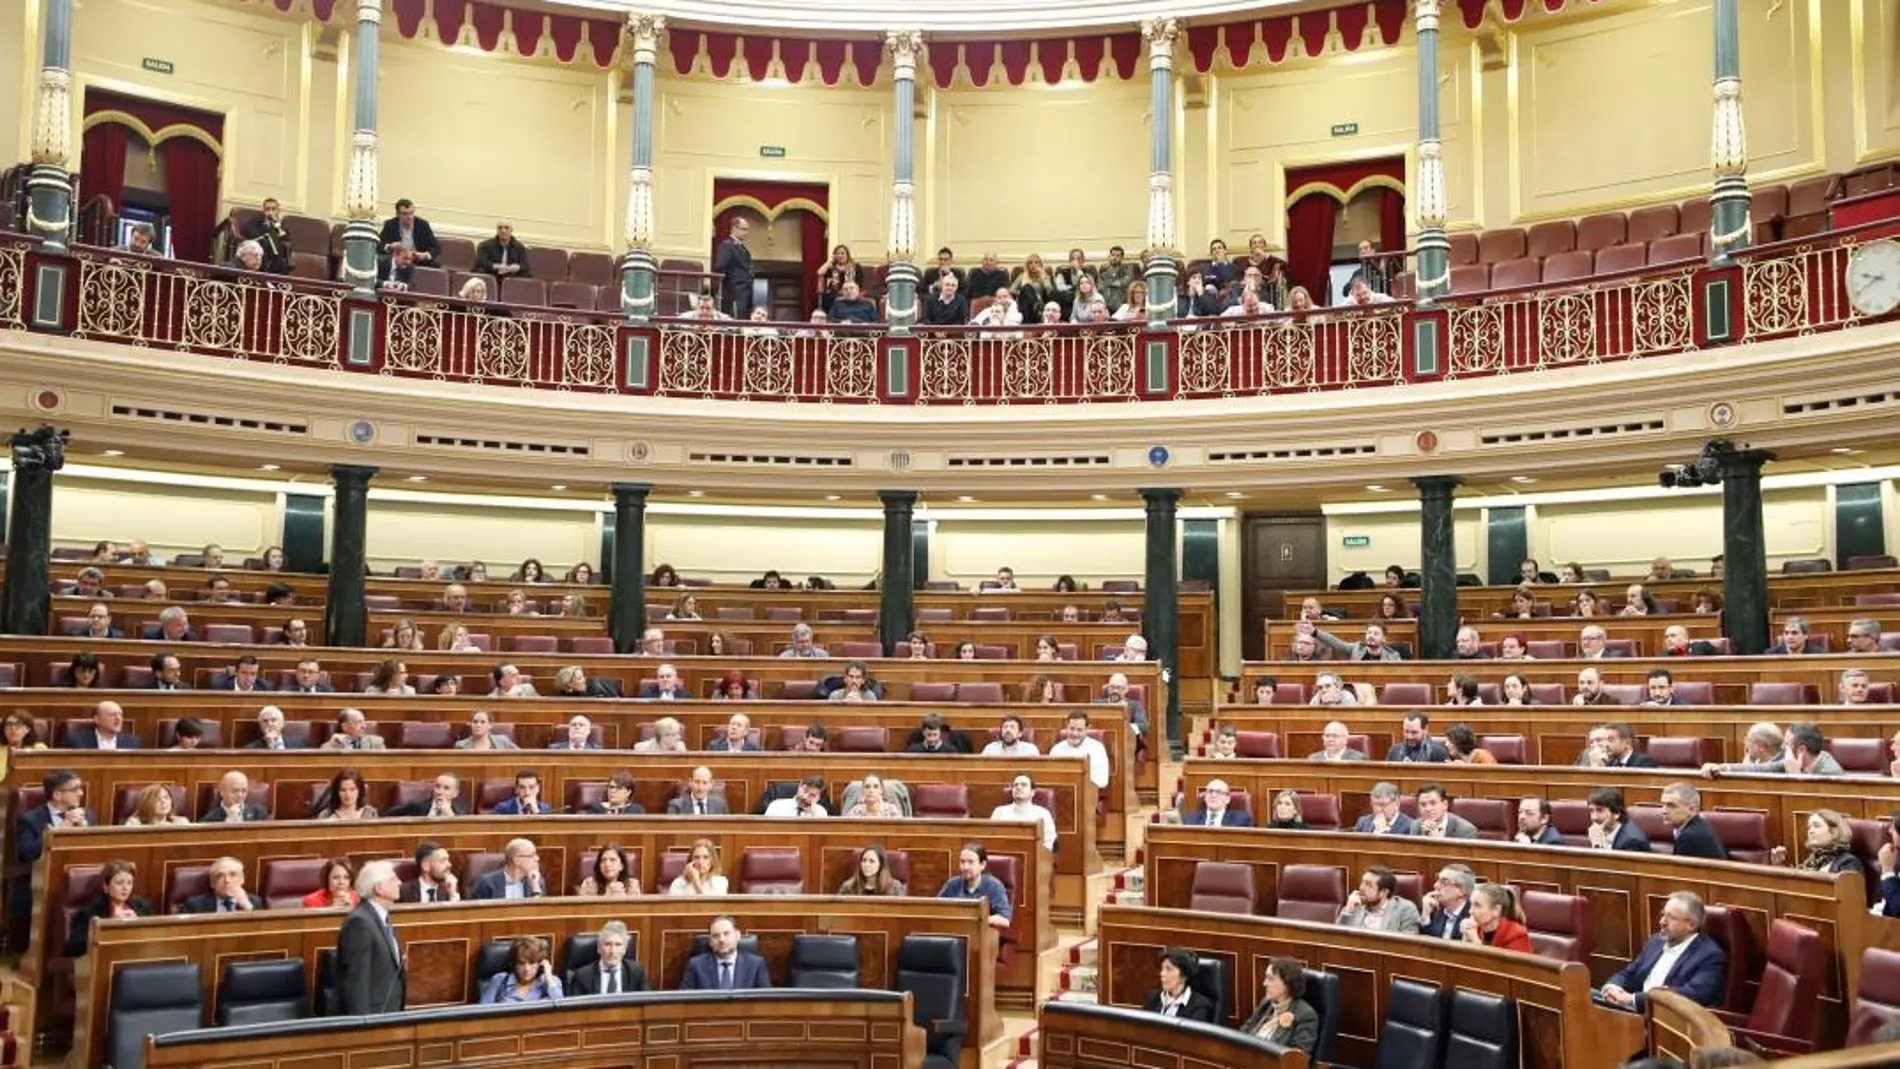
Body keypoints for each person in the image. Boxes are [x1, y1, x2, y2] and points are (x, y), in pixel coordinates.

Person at [1599, 892, 1728, 1011]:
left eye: (1670, 918)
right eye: (1663, 915)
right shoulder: (1655, 941)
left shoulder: (1710, 955)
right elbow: (1628, 973)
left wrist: (1632, 999)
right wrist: (1612, 987)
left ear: (1692, 925)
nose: (1662, 922)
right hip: (1629, 1009)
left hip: (1664, 1020)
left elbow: (1693, 994)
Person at [66, 859, 153, 955]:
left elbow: (153, 939)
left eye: (129, 883)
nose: (125, 888)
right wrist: (111, 926)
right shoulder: (89, 912)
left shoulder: (143, 907)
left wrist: (138, 925)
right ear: (106, 886)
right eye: (119, 883)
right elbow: (73, 948)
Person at [1241, 957, 1319, 1054]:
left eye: (1270, 979)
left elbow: (1296, 1058)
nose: (1264, 983)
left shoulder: (1305, 1014)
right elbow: (1243, 1032)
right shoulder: (1266, 1003)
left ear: (1287, 983)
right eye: (1266, 978)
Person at [682, 916, 771, 990]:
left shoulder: (755, 965)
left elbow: (766, 1003)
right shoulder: (696, 965)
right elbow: (683, 1003)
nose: (721, 940)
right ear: (710, 942)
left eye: (726, 933)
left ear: (738, 936)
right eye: (716, 936)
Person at [938, 844, 1012, 929]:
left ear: (982, 865)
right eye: (962, 862)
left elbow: (1005, 920)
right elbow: (936, 910)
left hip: (982, 935)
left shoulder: (994, 886)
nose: (965, 867)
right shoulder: (952, 884)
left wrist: (978, 920)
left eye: (970, 862)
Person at [1771, 809, 1865, 875]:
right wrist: (1780, 867)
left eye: (1817, 826)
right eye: (1809, 827)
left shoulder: (1848, 862)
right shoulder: (1811, 861)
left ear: (1834, 831)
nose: (1811, 831)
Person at [569, 921, 647, 996]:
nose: (612, 951)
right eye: (607, 944)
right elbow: (576, 1008)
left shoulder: (635, 972)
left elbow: (647, 1003)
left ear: (624, 949)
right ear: (599, 948)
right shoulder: (583, 976)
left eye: (618, 944)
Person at [1142, 947, 1218, 1023]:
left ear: (1184, 976)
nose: (1162, 974)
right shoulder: (1154, 998)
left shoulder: (1200, 1006)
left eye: (1169, 969)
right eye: (1162, 969)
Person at [1337, 865, 1421, 933]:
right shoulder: (1356, 906)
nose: (1361, 888)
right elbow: (1337, 938)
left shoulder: (1405, 910)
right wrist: (1348, 911)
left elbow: (1408, 945)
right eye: (1362, 882)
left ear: (1384, 892)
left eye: (1368, 885)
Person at [482, 936, 563, 1003]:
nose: (527, 969)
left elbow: (561, 1009)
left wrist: (548, 976)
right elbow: (483, 1012)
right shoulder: (499, 980)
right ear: (514, 965)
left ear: (540, 964)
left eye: (532, 963)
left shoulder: (550, 982)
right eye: (521, 963)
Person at [1661, 782, 1729, 860]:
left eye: (1672, 806)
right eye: (1663, 804)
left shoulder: (1689, 837)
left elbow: (1677, 871)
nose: (1664, 811)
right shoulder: (1700, 826)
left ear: (1692, 810)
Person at [990, 773, 1057, 849]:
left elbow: (1050, 842)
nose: (1018, 787)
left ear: (1032, 792)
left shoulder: (1043, 813)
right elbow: (991, 839)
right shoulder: (999, 812)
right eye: (1015, 785)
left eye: (1023, 785)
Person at [1049, 711, 1110, 790]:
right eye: (1072, 729)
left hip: (1088, 794)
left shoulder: (1097, 748)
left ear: (1087, 729)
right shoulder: (1056, 749)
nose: (1074, 734)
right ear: (1066, 727)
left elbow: (1102, 782)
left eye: (1079, 730)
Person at [1461, 884, 1533, 952]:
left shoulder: (1516, 935)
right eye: (1471, 904)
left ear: (1496, 910)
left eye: (1477, 905)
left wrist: (1474, 940)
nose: (1470, 911)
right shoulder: (1476, 928)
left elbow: (1496, 964)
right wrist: (1465, 938)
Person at [180, 856, 264, 912]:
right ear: (212, 883)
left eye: (232, 874)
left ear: (242, 879)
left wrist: (247, 907)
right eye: (220, 876)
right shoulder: (195, 906)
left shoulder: (254, 903)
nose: (227, 880)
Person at [470, 838, 544, 899]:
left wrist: (535, 887)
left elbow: (539, 913)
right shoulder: (486, 884)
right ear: (517, 860)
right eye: (532, 855)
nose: (537, 858)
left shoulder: (537, 882)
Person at [1419, 865, 1476, 940]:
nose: (1435, 885)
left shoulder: (1473, 915)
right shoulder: (1434, 908)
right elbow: (1426, 946)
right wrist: (1425, 915)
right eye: (1437, 880)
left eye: (1444, 882)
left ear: (1462, 890)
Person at [1587, 787, 1653, 852]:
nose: (1594, 817)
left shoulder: (1632, 842)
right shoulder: (1598, 831)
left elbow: (1606, 863)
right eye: (1591, 811)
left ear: (1616, 813)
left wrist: (1597, 846)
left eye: (1600, 810)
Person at [379, 198, 440, 265]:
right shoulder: (390, 224)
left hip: (418, 261)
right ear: (398, 214)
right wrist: (390, 246)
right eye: (405, 214)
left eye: (411, 213)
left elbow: (436, 247)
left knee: (435, 266)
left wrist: (425, 255)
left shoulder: (422, 225)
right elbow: (379, 244)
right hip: (397, 262)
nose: (409, 217)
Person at [200, 771, 270, 823]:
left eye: (244, 791)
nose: (240, 795)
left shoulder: (259, 813)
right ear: (222, 791)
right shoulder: (210, 820)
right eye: (235, 791)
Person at [1413, 783, 1478, 839]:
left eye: (1433, 803)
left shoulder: (1465, 830)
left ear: (1445, 804)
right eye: (1423, 804)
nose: (1428, 809)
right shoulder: (1416, 825)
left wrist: (1438, 839)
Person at [313, 768, 378, 821]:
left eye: (352, 789)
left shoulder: (371, 813)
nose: (348, 795)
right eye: (343, 790)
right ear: (337, 792)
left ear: (359, 790)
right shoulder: (326, 815)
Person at [70, 700, 140, 749]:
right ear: (97, 719)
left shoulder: (132, 742)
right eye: (112, 715)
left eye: (120, 714)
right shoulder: (77, 741)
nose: (118, 718)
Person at [839, 845, 906, 896]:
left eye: (872, 861)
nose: (866, 864)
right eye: (864, 860)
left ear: (881, 865)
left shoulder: (895, 888)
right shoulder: (848, 887)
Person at [1184, 779, 1253, 827]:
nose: (1213, 795)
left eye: (1219, 792)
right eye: (1210, 791)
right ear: (1205, 797)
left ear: (1227, 799)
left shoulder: (1241, 820)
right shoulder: (1191, 819)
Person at [124, 782, 189, 825]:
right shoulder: (134, 824)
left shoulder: (181, 823)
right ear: (147, 803)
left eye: (166, 798)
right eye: (157, 799)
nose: (163, 802)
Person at [322, 709, 387, 751]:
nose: (364, 726)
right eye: (359, 722)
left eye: (364, 722)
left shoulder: (376, 743)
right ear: (345, 726)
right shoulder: (332, 745)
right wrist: (335, 744)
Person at [764, 776, 829, 818]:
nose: (805, 797)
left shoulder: (821, 813)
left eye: (812, 795)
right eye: (805, 790)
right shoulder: (776, 806)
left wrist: (814, 813)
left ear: (819, 798)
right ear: (800, 786)